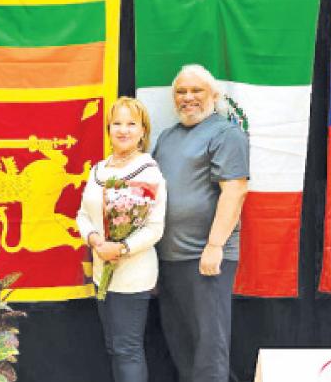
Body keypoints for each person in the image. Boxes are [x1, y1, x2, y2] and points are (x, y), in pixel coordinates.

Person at [152, 64, 249, 382]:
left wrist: (215, 245)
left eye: (197, 91)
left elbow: (234, 190)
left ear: (215, 96)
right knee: (182, 347)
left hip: (206, 260)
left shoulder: (226, 133)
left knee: (210, 349)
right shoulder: (166, 138)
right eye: (181, 92)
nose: (188, 97)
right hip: (169, 260)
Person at [76, 97, 167, 382]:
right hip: (102, 269)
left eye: (131, 124)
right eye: (117, 123)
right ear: (108, 128)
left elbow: (154, 228)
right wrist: (94, 240)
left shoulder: (149, 171)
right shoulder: (98, 170)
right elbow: (82, 214)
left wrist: (122, 247)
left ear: (143, 130)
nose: (123, 130)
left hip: (133, 274)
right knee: (114, 348)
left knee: (127, 349)